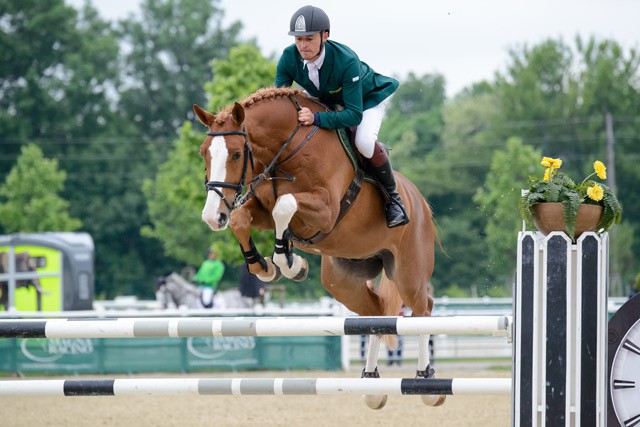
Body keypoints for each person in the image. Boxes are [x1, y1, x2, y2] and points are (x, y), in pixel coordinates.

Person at [275, 5, 409, 228]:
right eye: (298, 40)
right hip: (329, 98)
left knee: (364, 142)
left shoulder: (346, 60)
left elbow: (354, 115)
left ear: (325, 36)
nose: (302, 45)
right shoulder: (289, 57)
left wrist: (316, 119)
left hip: (366, 100)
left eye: (309, 39)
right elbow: (279, 99)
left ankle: (393, 199)